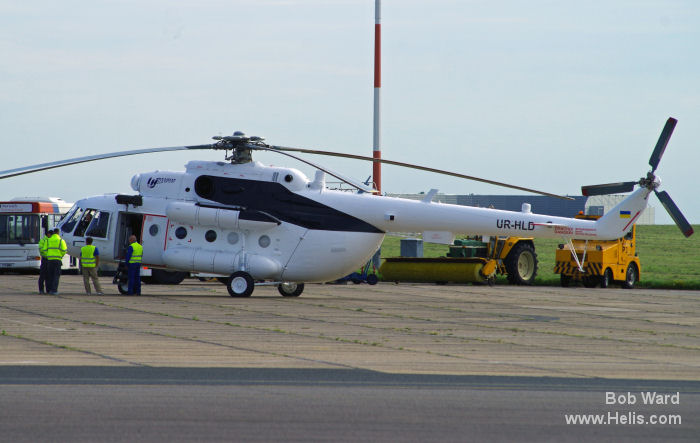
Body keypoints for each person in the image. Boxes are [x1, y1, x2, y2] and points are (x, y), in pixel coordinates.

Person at [42, 228, 67, 295]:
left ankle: (49, 290)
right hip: (57, 260)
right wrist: (60, 256)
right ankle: (54, 290)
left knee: (50, 275)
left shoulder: (48, 240)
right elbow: (64, 250)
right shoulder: (61, 240)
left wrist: (48, 255)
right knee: (56, 276)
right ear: (58, 233)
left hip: (49, 260)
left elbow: (44, 250)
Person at [37, 228, 51, 294]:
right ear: (48, 234)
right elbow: (41, 250)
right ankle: (41, 290)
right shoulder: (43, 240)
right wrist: (48, 255)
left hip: (48, 259)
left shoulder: (49, 240)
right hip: (45, 259)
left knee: (48, 276)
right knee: (42, 275)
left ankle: (48, 290)